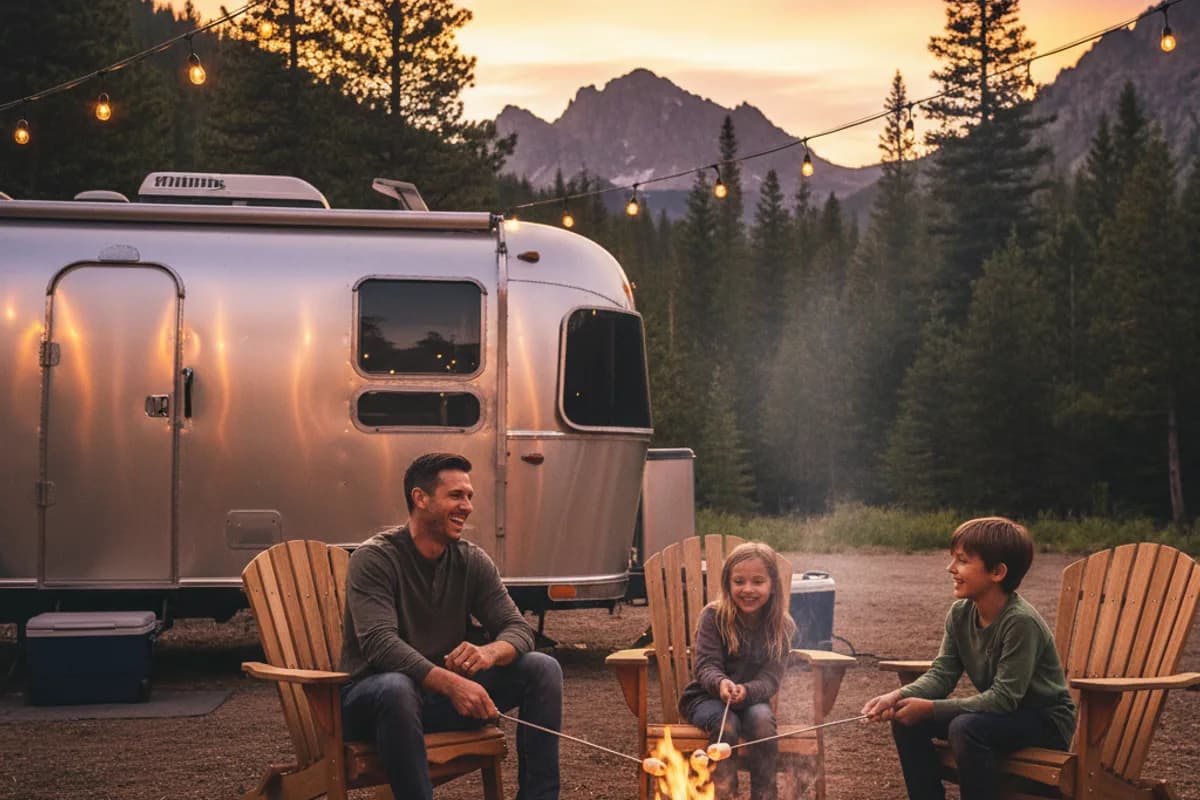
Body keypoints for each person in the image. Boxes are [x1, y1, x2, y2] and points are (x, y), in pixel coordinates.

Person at [339, 452, 562, 800]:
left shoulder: (470, 560)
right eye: (456, 495)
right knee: (397, 687)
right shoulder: (376, 558)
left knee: (542, 668)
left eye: (469, 497)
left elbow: (518, 628)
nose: (467, 507)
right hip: (374, 706)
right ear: (420, 498)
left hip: (438, 703)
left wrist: (488, 654)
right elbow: (380, 644)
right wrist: (453, 684)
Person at [861, 517, 1076, 800]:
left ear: (997, 572)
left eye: (962, 561)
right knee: (907, 719)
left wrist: (930, 708)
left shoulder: (1020, 622)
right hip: (1000, 719)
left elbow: (1003, 699)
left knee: (966, 728)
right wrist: (897, 696)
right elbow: (942, 674)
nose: (951, 568)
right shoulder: (960, 614)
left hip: (1045, 722)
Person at [679, 542, 796, 800]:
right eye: (739, 581)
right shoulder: (713, 617)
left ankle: (764, 796)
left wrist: (747, 690)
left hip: (752, 700)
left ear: (773, 585)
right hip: (706, 698)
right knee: (727, 724)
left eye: (758, 581)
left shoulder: (782, 626)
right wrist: (721, 683)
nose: (748, 589)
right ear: (727, 583)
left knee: (763, 723)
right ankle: (723, 794)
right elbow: (706, 665)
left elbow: (771, 678)